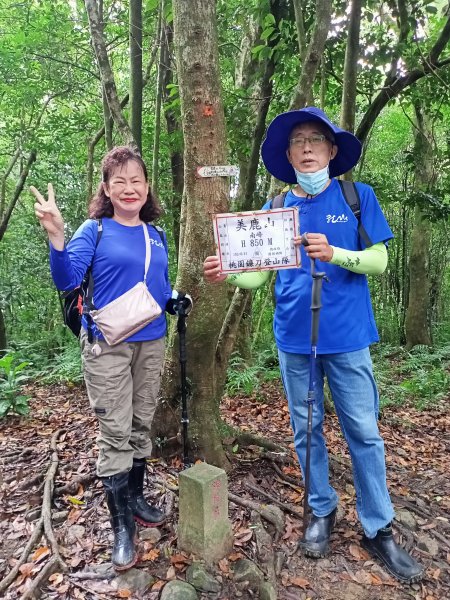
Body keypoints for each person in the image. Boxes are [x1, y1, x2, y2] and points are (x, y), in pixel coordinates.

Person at [203, 107, 423, 584]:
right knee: (306, 431)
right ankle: (320, 509)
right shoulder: (276, 209)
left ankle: (378, 526)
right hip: (294, 340)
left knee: (363, 432)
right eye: (298, 141)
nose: (306, 148)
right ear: (287, 154)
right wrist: (228, 271)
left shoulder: (357, 197)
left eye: (315, 140)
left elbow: (380, 261)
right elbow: (256, 276)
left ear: (331, 151)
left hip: (348, 339)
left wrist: (335, 252)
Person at [31, 146, 191, 571]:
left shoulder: (156, 235)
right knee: (115, 431)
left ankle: (136, 499)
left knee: (141, 424)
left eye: (136, 180)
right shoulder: (94, 230)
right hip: (108, 346)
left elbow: (155, 285)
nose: (128, 188)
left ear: (146, 187)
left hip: (152, 341)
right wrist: (56, 237)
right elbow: (67, 279)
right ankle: (122, 527)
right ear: (106, 188)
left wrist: (174, 299)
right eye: (118, 181)